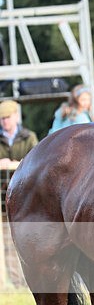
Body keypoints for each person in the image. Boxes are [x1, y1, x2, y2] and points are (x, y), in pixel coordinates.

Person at [0, 99, 38, 287]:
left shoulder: (28, 137)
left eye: (7, 117)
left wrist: (15, 164)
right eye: (2, 118)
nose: (4, 121)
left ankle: (27, 279)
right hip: (2, 197)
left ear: (16, 116)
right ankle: (14, 282)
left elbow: (37, 162)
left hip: (25, 199)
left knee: (26, 240)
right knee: (6, 241)